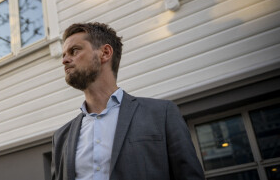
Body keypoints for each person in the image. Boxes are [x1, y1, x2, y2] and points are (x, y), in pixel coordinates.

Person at [51, 22, 204, 180]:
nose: (65, 60)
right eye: (63, 55)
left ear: (105, 53)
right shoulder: (61, 138)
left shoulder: (161, 115)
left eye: (74, 51)